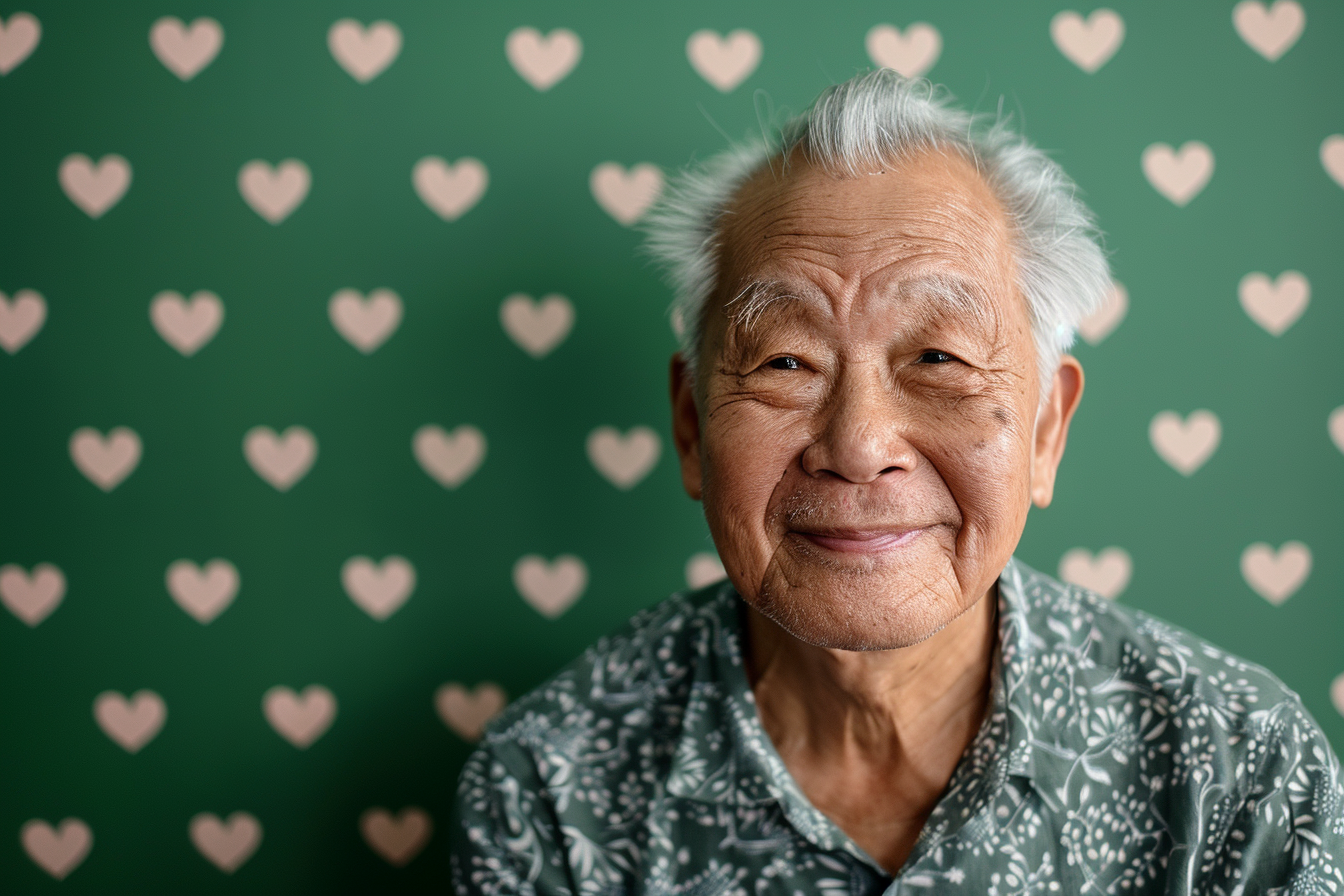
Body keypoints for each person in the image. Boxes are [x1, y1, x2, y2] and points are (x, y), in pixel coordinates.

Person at [451, 70, 1343, 894]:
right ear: (691, 428)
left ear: (1044, 431)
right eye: (788, 361)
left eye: (939, 356)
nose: (859, 444)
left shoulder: (1238, 770)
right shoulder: (549, 790)